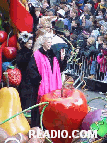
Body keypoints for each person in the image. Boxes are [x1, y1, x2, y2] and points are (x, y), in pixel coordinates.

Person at [21, 32, 69, 127]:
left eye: (51, 42)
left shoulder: (53, 55)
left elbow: (60, 69)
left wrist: (63, 60)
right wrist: (38, 80)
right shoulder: (37, 55)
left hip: (53, 86)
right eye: (48, 42)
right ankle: (38, 127)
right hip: (40, 86)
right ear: (43, 43)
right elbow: (31, 69)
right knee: (39, 107)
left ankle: (49, 126)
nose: (50, 44)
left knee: (51, 107)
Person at [16, 31, 33, 117]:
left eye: (31, 43)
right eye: (29, 43)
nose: (30, 45)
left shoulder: (26, 52)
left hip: (26, 77)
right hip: (25, 76)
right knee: (26, 94)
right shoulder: (24, 53)